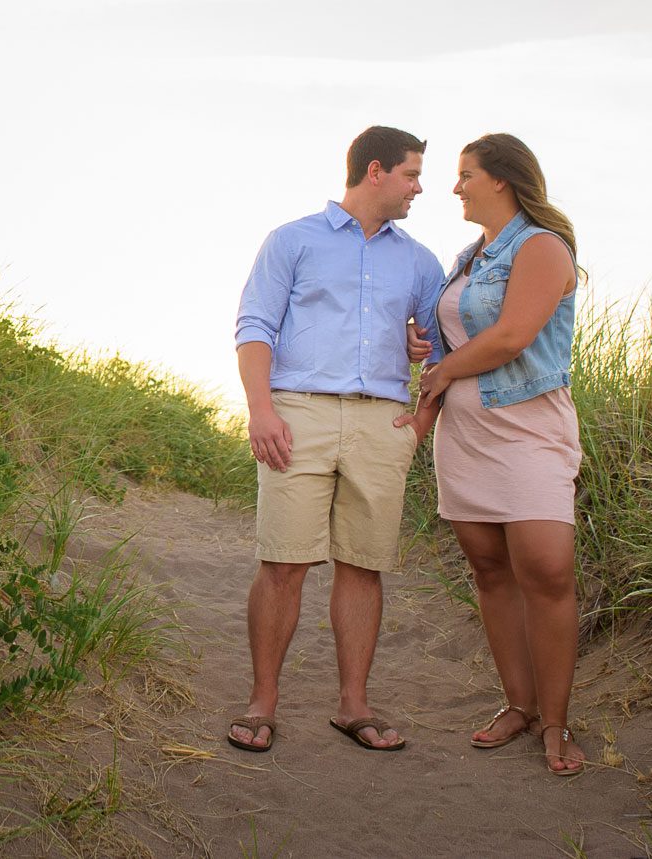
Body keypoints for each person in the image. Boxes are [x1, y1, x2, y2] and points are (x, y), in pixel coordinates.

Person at [227, 126, 443, 754]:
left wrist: (421, 420)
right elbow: (254, 324)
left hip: (383, 420)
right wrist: (261, 410)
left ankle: (354, 704)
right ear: (374, 171)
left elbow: (443, 347)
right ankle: (262, 703)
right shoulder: (293, 240)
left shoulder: (419, 260)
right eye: (411, 174)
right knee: (283, 562)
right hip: (299, 412)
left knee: (364, 565)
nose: (419, 187)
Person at [397, 132, 586, 775]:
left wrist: (443, 374)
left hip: (529, 428)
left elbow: (511, 336)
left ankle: (557, 722)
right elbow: (455, 340)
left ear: (501, 179)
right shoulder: (466, 258)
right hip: (467, 438)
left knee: (547, 568)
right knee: (489, 570)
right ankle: (520, 706)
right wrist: (431, 359)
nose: (455, 187)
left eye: (466, 174)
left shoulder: (541, 245)